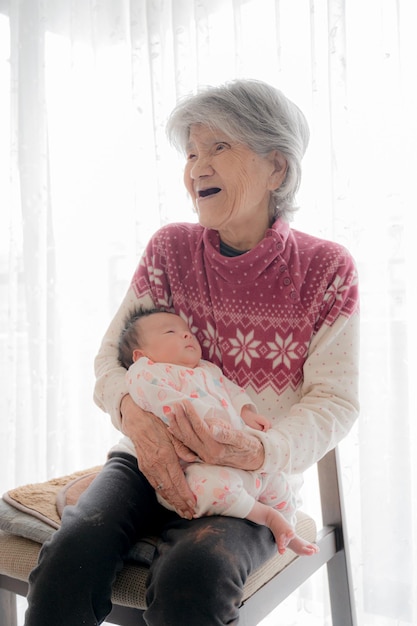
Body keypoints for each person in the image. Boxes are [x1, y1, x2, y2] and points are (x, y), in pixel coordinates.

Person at [25, 78, 359, 626]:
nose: (197, 167)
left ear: (278, 168)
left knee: (192, 579)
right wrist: (138, 421)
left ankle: (162, 545)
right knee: (69, 558)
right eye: (192, 152)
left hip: (246, 482)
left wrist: (258, 450)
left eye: (220, 147)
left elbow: (335, 400)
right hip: (143, 459)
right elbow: (111, 362)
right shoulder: (170, 249)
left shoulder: (326, 270)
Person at [118, 307, 319, 556]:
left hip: (238, 452)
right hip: (196, 464)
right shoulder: (146, 373)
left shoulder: (207, 370)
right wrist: (208, 420)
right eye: (171, 331)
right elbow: (168, 405)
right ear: (141, 355)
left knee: (275, 479)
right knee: (213, 489)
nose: (187, 336)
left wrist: (247, 413)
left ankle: (288, 527)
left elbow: (233, 391)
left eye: (188, 331)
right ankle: (266, 516)